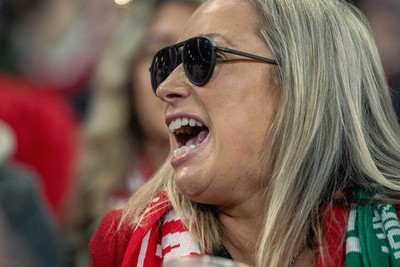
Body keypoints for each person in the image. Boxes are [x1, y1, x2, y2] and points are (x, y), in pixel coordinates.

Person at [90, 0, 400, 266]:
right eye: (166, 64)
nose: (166, 88)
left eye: (202, 58)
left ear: (302, 84)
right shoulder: (123, 245)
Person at [67, 0, 199, 266]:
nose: (176, 80)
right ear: (125, 75)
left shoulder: (231, 197)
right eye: (161, 57)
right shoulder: (92, 190)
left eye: (196, 57)